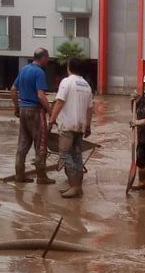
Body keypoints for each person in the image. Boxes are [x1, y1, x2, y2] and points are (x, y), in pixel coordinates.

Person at [49, 57, 92, 199]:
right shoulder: (86, 85)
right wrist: (88, 126)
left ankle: (75, 186)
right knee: (77, 155)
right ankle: (77, 187)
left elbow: (60, 102)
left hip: (67, 126)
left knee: (65, 154)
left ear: (69, 67)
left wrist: (52, 119)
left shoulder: (66, 82)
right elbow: (89, 109)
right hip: (80, 126)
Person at [11, 48, 53, 184]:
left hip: (23, 110)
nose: (48, 60)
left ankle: (19, 176)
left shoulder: (24, 69)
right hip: (35, 111)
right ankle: (41, 177)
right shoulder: (39, 72)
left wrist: (17, 108)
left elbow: (13, 89)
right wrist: (51, 111)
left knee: (22, 145)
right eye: (47, 57)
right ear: (42, 57)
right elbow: (41, 95)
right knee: (40, 144)